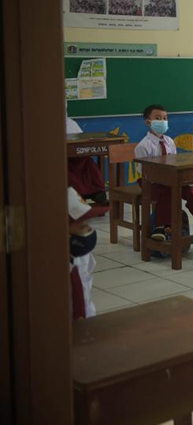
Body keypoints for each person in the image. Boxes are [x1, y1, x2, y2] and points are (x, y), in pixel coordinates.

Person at [135, 104, 193, 241]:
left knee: (189, 190)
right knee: (167, 192)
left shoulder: (169, 142)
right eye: (158, 118)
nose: (162, 121)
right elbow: (142, 171)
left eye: (165, 118)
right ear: (148, 122)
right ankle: (161, 227)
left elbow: (175, 162)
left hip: (170, 180)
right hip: (150, 182)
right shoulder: (143, 146)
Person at [67, 187, 107, 319]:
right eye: (83, 226)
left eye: (88, 223)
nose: (90, 229)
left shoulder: (84, 257)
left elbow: (86, 293)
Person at [66, 104, 108, 204]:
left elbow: (81, 141)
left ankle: (97, 192)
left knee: (88, 162)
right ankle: (79, 195)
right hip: (60, 159)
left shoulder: (70, 123)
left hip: (78, 157)